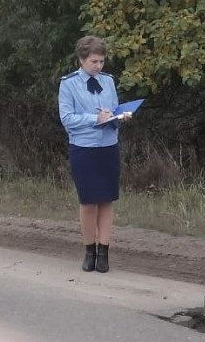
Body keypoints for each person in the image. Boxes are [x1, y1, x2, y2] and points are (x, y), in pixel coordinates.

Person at [58, 36, 131, 273]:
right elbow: (67, 118)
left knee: (106, 200)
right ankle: (89, 251)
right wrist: (94, 118)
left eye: (101, 61)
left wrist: (120, 117)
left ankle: (104, 252)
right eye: (94, 61)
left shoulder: (108, 81)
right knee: (88, 201)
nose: (98, 66)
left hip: (108, 147)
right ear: (81, 59)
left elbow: (113, 111)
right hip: (84, 148)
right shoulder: (68, 84)